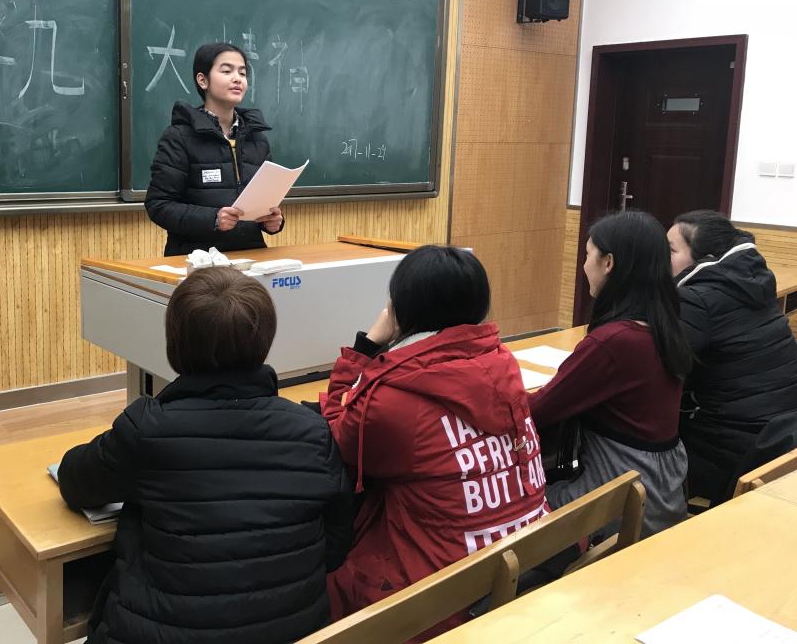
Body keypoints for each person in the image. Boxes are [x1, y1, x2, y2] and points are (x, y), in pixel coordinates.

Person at [57, 267, 350, 644]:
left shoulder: (147, 429)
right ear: (265, 340)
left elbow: (75, 482)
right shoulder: (314, 432)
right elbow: (335, 542)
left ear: (174, 342)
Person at [320, 245, 548, 637]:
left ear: (401, 310)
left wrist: (366, 347)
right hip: (530, 563)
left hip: (448, 600)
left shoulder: (390, 399)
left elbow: (338, 435)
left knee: (327, 572)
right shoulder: (502, 362)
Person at [529, 210, 692, 536]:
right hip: (664, 492)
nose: (583, 266)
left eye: (587, 254)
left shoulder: (615, 341)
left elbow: (536, 410)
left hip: (623, 503)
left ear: (608, 263)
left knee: (515, 507)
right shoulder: (664, 326)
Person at [667, 210, 797, 504]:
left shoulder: (697, 299)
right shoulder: (754, 285)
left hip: (726, 454)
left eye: (671, 251)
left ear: (704, 260)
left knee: (631, 439)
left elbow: (658, 369)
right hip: (775, 439)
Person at [145, 42, 284, 256]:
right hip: (197, 261)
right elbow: (159, 205)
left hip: (251, 258)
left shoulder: (257, 139)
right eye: (227, 71)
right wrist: (213, 219)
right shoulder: (179, 137)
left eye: (242, 73)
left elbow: (266, 202)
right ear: (203, 80)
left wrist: (273, 222)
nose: (237, 78)